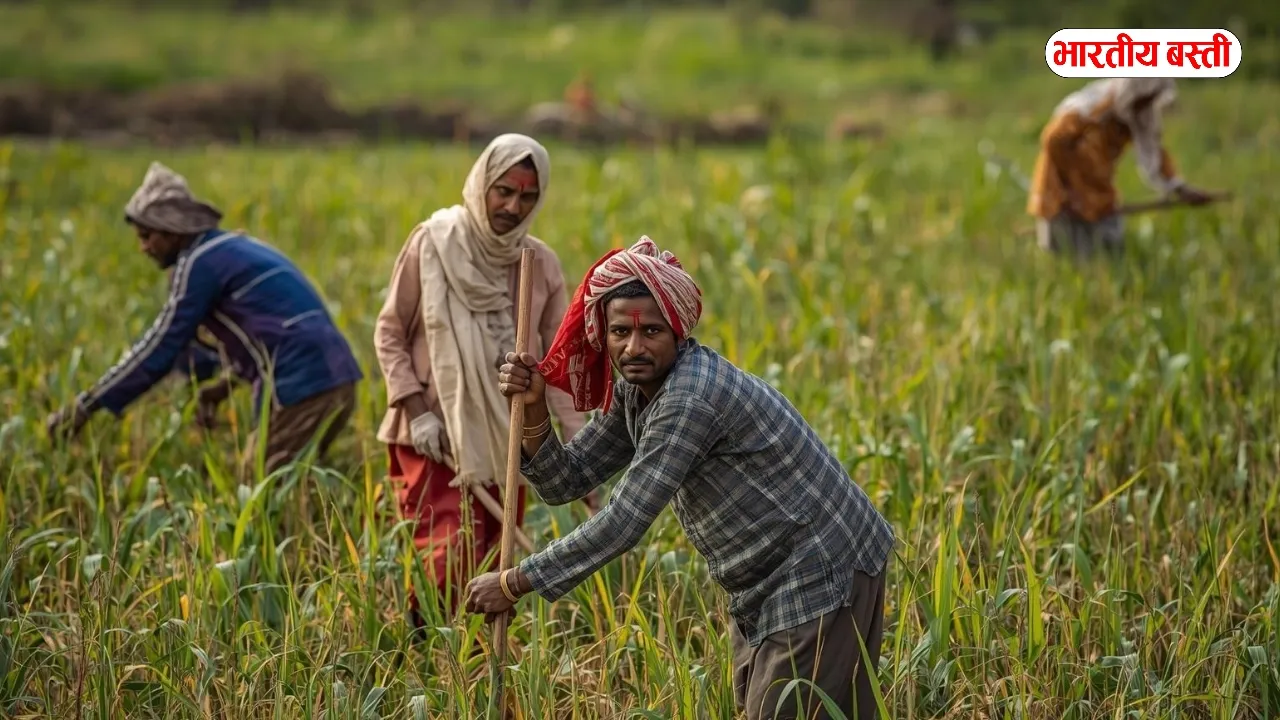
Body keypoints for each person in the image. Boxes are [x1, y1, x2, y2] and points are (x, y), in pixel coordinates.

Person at [466, 236, 896, 720]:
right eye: (620, 332)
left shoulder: (689, 397)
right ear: (603, 335)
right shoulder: (636, 388)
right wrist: (535, 408)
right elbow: (566, 481)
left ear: (678, 333)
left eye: (651, 331)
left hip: (821, 565)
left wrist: (515, 582)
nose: (634, 347)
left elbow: (624, 522)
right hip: (763, 582)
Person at [372, 133, 589, 626]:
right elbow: (389, 332)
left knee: (496, 564)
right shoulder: (434, 242)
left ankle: (478, 674)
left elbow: (556, 366)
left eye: (527, 196)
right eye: (504, 191)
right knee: (447, 556)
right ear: (482, 184)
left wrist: (582, 452)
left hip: (504, 441)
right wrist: (416, 410)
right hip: (435, 438)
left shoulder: (540, 263)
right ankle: (427, 657)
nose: (513, 206)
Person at [45, 161, 364, 476]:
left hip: (301, 387)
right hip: (338, 379)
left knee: (258, 491)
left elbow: (158, 347)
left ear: (172, 231)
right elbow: (270, 335)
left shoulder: (198, 263)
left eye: (146, 236)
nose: (143, 248)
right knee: (293, 485)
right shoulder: (235, 248)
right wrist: (220, 389)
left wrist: (87, 404)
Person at [1026, 78, 1216, 256]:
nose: (1145, 104)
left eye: (1150, 99)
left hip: (1097, 190)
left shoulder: (1138, 116)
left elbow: (1155, 156)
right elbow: (1053, 142)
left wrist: (1181, 190)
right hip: (1061, 191)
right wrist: (1070, 191)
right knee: (1068, 252)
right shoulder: (1088, 110)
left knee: (1107, 249)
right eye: (1142, 99)